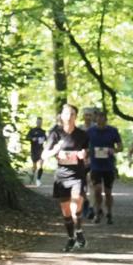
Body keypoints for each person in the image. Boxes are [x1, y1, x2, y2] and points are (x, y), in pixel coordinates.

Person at [42, 103, 89, 252]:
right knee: (66, 212)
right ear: (61, 116)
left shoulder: (82, 135)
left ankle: (79, 231)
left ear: (75, 117)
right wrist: (55, 150)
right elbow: (44, 155)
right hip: (62, 177)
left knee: (76, 208)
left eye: (71, 114)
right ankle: (71, 238)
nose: (68, 116)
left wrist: (83, 155)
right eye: (65, 113)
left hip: (77, 176)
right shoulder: (55, 133)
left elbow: (86, 153)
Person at [87, 109, 123, 224]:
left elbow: (120, 146)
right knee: (97, 190)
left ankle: (109, 212)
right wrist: (86, 154)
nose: (100, 119)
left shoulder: (113, 131)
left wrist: (114, 150)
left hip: (108, 166)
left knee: (108, 192)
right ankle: (98, 212)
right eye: (98, 117)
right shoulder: (90, 131)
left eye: (102, 117)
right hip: (95, 165)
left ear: (106, 119)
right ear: (95, 119)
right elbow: (84, 145)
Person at [79, 107, 98, 221]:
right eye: (86, 115)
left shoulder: (96, 129)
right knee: (81, 185)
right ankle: (85, 202)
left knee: (91, 183)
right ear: (83, 116)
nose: (88, 117)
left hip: (94, 158)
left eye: (90, 115)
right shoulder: (79, 129)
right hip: (80, 159)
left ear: (93, 117)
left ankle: (91, 208)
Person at [25, 117, 47, 186]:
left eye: (40, 122)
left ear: (42, 123)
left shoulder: (43, 131)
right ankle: (32, 177)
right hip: (33, 150)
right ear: (36, 122)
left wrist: (43, 139)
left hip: (41, 150)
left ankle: (38, 180)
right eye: (38, 122)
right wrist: (32, 138)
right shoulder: (32, 130)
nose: (39, 123)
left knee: (40, 165)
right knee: (34, 166)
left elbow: (46, 139)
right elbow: (27, 137)